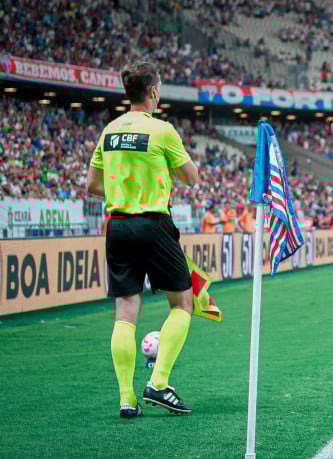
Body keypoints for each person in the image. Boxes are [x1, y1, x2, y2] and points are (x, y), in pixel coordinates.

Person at [86, 61, 200, 417]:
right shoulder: (162, 130)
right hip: (153, 223)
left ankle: (126, 397)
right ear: (153, 91)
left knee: (126, 311)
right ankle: (159, 383)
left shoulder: (110, 130)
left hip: (117, 225)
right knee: (182, 303)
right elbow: (191, 177)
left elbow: (92, 185)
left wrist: (124, 188)